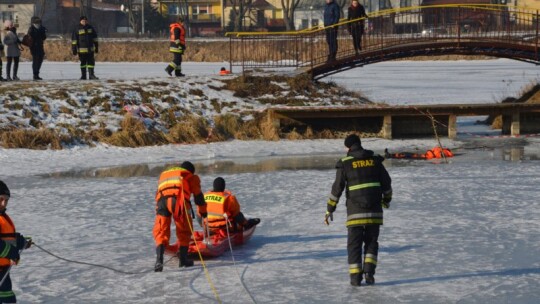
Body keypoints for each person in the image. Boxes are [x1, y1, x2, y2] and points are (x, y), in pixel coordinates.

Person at [325, 134, 392, 286]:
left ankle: (355, 278)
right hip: (374, 211)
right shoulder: (374, 160)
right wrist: (386, 200)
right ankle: (369, 273)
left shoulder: (345, 163)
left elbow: (337, 189)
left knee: (354, 245)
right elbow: (386, 183)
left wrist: (330, 209)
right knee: (371, 242)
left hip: (355, 213)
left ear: (348, 147)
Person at [152, 161, 207, 272]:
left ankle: (159, 261)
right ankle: (183, 260)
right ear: (191, 171)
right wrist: (203, 213)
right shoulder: (190, 176)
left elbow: (157, 193)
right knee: (184, 230)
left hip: (161, 202)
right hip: (178, 201)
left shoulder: (166, 174)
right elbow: (198, 197)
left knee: (161, 230)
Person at [0, 181, 33, 303]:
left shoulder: (2, 217)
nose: (4, 203)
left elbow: (6, 238)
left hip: (3, 271)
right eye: (1, 199)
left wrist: (21, 242)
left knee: (8, 299)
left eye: (6, 200)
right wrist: (12, 252)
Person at [72, 16, 99, 80]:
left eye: (85, 21)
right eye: (83, 21)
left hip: (90, 50)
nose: (84, 22)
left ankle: (91, 75)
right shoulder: (77, 28)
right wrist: (74, 49)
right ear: (80, 21)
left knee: (91, 63)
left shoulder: (91, 28)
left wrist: (96, 47)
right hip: (82, 50)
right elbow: (74, 40)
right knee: (83, 63)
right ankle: (83, 76)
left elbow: (95, 38)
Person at [27, 16, 47, 81]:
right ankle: (35, 74)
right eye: (37, 23)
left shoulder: (41, 28)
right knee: (35, 61)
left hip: (40, 46)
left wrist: (43, 32)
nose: (38, 24)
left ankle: (37, 73)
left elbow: (44, 38)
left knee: (40, 60)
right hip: (34, 47)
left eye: (39, 23)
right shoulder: (31, 29)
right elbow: (30, 38)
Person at [384, 146, 454, 160]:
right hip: (423, 155)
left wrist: (442, 154)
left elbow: (441, 156)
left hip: (425, 157)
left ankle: (390, 156)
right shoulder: (441, 148)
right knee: (405, 153)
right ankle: (390, 155)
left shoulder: (447, 153)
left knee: (406, 156)